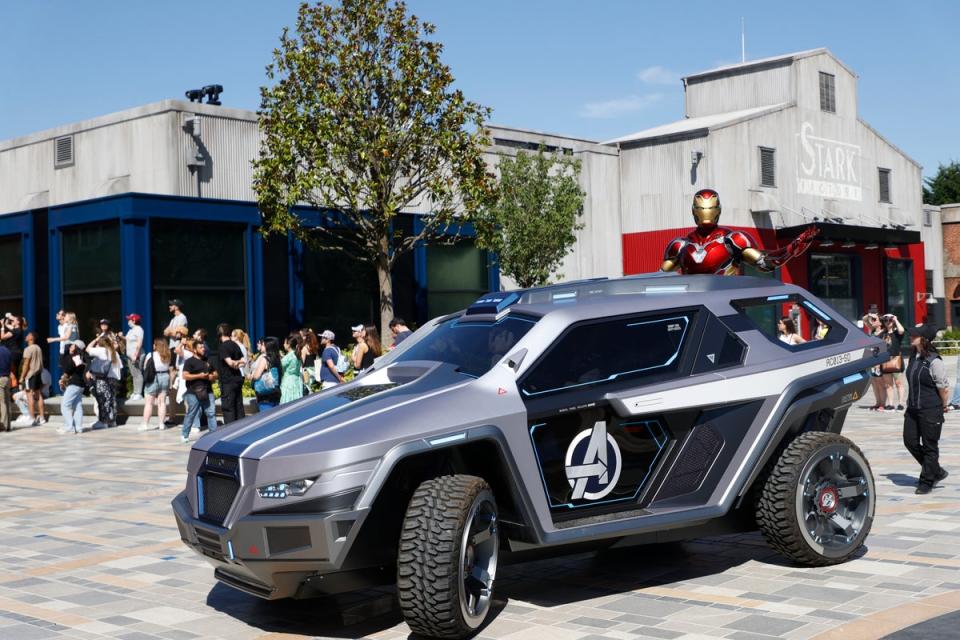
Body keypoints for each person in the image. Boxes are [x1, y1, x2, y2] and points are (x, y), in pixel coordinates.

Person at [903, 323, 950, 495]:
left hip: (931, 409)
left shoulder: (934, 360)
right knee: (910, 441)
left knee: (930, 447)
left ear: (924, 339)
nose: (911, 336)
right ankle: (935, 470)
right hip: (913, 409)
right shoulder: (913, 356)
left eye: (914, 335)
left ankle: (927, 480)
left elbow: (943, 387)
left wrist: (944, 406)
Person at [181, 339, 218, 444]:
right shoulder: (189, 361)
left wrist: (211, 377)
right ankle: (184, 435)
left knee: (211, 413)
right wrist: (199, 376)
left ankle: (214, 435)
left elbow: (216, 374)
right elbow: (185, 376)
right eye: (200, 347)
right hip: (193, 392)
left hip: (208, 391)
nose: (203, 349)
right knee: (191, 414)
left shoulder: (208, 360)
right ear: (194, 349)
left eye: (204, 347)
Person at [86, 335, 121, 429]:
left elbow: (88, 349)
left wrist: (95, 339)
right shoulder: (114, 352)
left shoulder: (102, 350)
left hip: (102, 378)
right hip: (114, 379)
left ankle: (103, 421)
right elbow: (119, 367)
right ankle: (112, 421)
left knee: (103, 399)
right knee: (112, 400)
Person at [141, 338, 173, 431]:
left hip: (153, 377)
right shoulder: (168, 355)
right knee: (162, 402)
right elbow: (170, 368)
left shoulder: (150, 355)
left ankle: (145, 424)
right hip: (165, 377)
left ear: (156, 345)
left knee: (149, 403)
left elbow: (145, 367)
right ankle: (161, 424)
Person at [217, 323, 245, 424]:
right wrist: (238, 363)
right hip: (237, 379)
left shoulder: (223, 347)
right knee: (239, 407)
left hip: (228, 382)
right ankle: (242, 430)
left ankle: (230, 432)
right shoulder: (235, 345)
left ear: (219, 335)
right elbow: (243, 361)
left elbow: (230, 363)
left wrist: (235, 363)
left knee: (229, 409)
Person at [58, 340, 87, 434]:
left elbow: (68, 369)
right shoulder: (82, 357)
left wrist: (63, 380)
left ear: (77, 347)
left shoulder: (76, 357)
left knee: (65, 405)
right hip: (81, 384)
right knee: (77, 406)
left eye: (73, 345)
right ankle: (78, 427)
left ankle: (69, 427)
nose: (70, 346)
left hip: (74, 383)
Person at [17, 331, 45, 426]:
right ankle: (42, 417)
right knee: (38, 394)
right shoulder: (38, 348)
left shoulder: (28, 349)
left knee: (29, 396)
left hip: (30, 375)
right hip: (38, 373)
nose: (26, 336)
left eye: (28, 335)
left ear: (31, 338)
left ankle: (32, 418)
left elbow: (26, 364)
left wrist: (21, 377)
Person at [881, 314, 906, 411]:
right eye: (886, 320)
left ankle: (900, 403)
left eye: (889, 320)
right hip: (885, 360)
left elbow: (902, 330)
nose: (888, 322)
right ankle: (890, 404)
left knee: (899, 383)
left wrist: (895, 319)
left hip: (896, 360)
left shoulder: (896, 333)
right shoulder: (882, 334)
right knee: (888, 385)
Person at [862, 312, 887, 411]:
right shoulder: (871, 332)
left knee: (881, 383)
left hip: (879, 361)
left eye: (875, 319)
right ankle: (877, 403)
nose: (872, 321)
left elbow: (884, 348)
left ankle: (882, 404)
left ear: (880, 323)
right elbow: (864, 320)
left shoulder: (884, 332)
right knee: (874, 383)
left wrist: (879, 362)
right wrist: (870, 315)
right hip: (871, 360)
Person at [250, 337, 282, 412]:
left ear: (268, 346)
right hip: (275, 392)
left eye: (263, 345)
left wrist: (252, 375)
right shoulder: (277, 358)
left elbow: (256, 376)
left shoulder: (265, 359)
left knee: (266, 417)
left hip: (265, 394)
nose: (262, 346)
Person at [121, 313, 145, 400]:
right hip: (130, 356)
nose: (128, 321)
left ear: (134, 320)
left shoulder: (139, 329)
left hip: (136, 355)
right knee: (133, 374)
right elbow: (127, 339)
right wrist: (121, 337)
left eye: (129, 320)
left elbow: (139, 342)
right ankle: (135, 392)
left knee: (138, 373)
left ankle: (139, 393)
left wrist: (136, 355)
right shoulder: (131, 330)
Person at [280, 334, 304, 404]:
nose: (283, 344)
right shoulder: (297, 354)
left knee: (286, 401)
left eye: (285, 343)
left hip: (288, 382)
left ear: (289, 345)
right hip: (296, 381)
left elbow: (280, 366)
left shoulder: (289, 356)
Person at [0, 342, 11, 432]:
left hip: (0, 378)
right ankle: (8, 425)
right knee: (7, 402)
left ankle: (3, 425)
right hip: (7, 378)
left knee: (2, 403)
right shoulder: (7, 351)